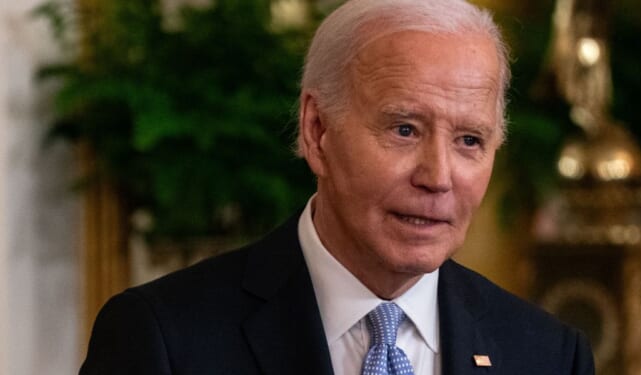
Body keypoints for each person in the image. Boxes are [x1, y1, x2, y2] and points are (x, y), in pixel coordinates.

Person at [80, 0, 595, 374]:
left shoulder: (548, 355)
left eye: (469, 140)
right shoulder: (164, 340)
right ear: (317, 131)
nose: (437, 177)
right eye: (404, 130)